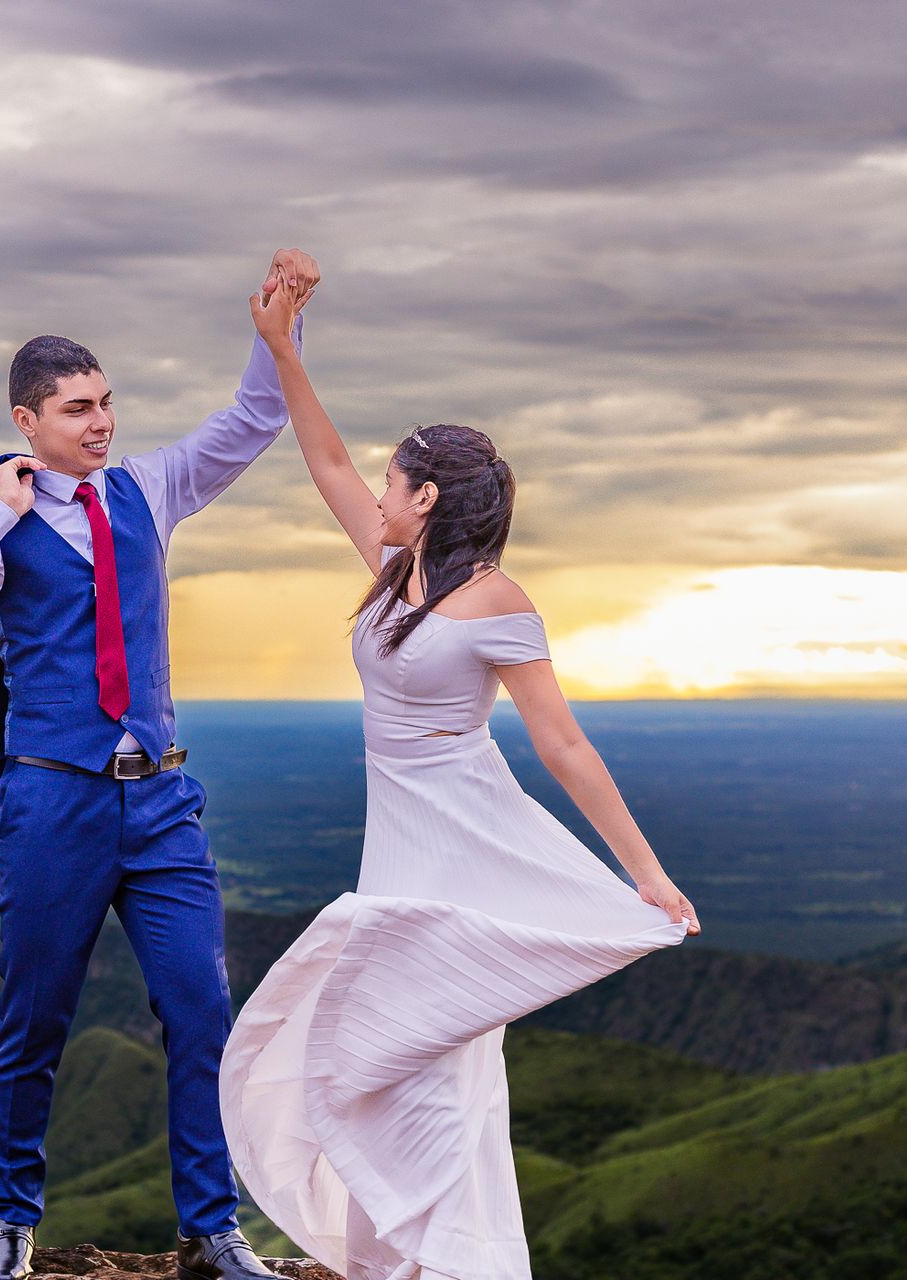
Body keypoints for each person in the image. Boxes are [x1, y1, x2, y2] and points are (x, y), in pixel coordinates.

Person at [0, 249, 319, 1280]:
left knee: (200, 1009)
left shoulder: (147, 488)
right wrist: (0, 509)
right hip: (52, 798)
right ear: (26, 421)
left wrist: (279, 333)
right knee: (33, 1018)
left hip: (163, 799)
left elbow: (253, 422)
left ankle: (211, 1229)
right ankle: (10, 1220)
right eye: (78, 408)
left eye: (106, 402)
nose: (101, 422)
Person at [219, 279, 702, 1280]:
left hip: (462, 848)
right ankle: (392, 1261)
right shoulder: (396, 571)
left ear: (428, 498)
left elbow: (564, 745)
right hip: (399, 851)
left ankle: (446, 1265)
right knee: (382, 1059)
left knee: (426, 1066)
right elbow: (325, 459)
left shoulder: (498, 602)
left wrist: (646, 874)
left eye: (398, 485)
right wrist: (282, 350)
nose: (382, 496)